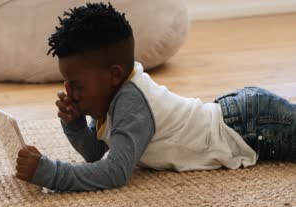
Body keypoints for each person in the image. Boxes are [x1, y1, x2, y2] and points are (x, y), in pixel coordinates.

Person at [15, 2, 296, 192]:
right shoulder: (113, 98)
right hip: (238, 117)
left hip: (250, 125)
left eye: (76, 85)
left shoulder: (131, 101)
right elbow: (95, 154)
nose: (69, 93)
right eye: (66, 84)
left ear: (113, 75)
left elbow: (114, 173)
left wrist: (50, 174)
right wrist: (75, 124)